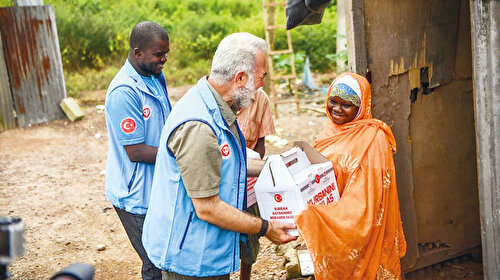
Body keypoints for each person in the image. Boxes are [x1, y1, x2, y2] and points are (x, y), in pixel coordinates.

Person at [142, 32, 297, 280]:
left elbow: (227, 164)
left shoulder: (215, 105)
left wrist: (276, 166)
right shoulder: (200, 126)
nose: (262, 86)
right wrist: (265, 228)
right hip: (190, 259)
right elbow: (208, 208)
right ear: (240, 78)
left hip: (203, 249)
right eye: (261, 78)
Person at [295, 73, 407, 279]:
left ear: (361, 106)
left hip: (359, 227)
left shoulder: (374, 139)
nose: (337, 109)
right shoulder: (329, 132)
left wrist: (315, 215)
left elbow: (365, 204)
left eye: (347, 104)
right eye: (333, 101)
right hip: (330, 215)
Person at [104, 21, 171, 280]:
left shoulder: (155, 76)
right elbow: (137, 151)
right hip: (135, 196)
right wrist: (183, 153)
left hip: (155, 188)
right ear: (137, 52)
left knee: (164, 256)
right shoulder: (124, 92)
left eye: (166, 53)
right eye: (159, 54)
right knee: (155, 263)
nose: (164, 59)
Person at [236, 88, 276, 280]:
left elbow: (260, 145)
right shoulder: (218, 94)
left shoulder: (260, 98)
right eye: (260, 76)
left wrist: (252, 166)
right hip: (220, 171)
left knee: (250, 234)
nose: (262, 82)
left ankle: (245, 276)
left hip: (249, 174)